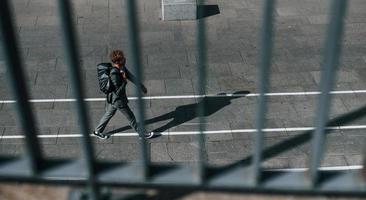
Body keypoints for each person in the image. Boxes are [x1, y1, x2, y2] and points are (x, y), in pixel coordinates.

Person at [93, 50, 154, 139]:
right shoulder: (114, 74)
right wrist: (124, 81)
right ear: (119, 61)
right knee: (131, 117)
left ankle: (97, 131)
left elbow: (130, 76)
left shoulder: (122, 67)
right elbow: (117, 92)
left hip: (113, 100)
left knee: (109, 114)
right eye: (123, 58)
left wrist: (141, 86)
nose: (125, 59)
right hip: (118, 100)